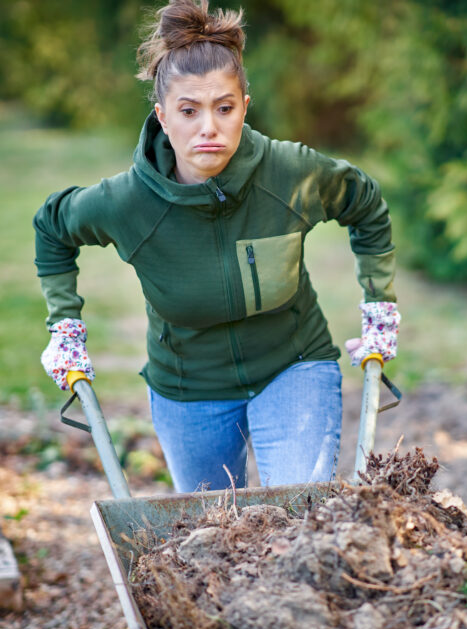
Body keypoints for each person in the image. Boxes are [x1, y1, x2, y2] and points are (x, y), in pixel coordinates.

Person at [33, 0, 399, 493]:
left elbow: (366, 204)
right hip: (188, 388)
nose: (209, 127)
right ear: (163, 117)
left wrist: (379, 308)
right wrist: (65, 325)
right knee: (209, 533)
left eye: (224, 108)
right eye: (189, 111)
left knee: (300, 515)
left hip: (293, 368)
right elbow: (52, 227)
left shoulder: (289, 174)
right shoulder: (128, 202)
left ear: (244, 107)